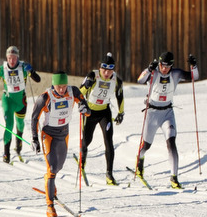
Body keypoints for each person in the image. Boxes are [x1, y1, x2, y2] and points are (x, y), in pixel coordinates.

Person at [30, 72, 91, 217]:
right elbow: (34, 118)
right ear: (53, 85)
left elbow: (87, 109)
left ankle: (50, 185)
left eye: (64, 86)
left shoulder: (73, 91)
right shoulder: (45, 97)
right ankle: (50, 206)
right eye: (59, 87)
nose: (62, 90)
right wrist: (34, 138)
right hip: (48, 135)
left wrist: (85, 110)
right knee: (51, 169)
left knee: (59, 167)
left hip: (64, 134)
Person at [135, 52, 198, 189]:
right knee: (146, 145)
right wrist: (148, 69)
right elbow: (140, 80)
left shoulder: (175, 73)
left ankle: (174, 177)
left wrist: (194, 66)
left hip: (167, 113)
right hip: (152, 113)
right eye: (162, 65)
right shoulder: (154, 73)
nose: (164, 69)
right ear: (159, 63)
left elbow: (194, 77)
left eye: (168, 66)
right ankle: (140, 159)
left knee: (171, 142)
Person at [0, 46, 42, 163]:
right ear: (6, 58)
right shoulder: (2, 69)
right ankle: (6, 153)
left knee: (20, 124)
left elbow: (38, 80)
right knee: (9, 125)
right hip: (8, 100)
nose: (12, 61)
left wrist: (31, 71)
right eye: (9, 58)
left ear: (18, 58)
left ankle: (19, 142)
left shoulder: (23, 68)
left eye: (14, 58)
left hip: (21, 101)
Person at [79, 53, 125, 185]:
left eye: (110, 70)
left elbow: (120, 97)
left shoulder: (117, 80)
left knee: (108, 141)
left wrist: (121, 113)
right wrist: (86, 86)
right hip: (89, 111)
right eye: (104, 69)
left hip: (104, 112)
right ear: (100, 68)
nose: (106, 72)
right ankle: (82, 163)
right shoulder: (93, 75)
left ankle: (109, 174)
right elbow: (79, 93)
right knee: (87, 139)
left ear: (113, 70)